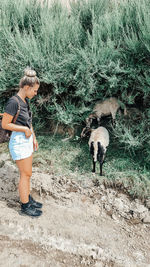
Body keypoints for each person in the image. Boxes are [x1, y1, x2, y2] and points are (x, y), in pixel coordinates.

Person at [2, 68, 42, 217]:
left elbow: (28, 121)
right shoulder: (13, 102)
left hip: (27, 140)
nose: (35, 93)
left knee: (28, 173)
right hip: (19, 142)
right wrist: (24, 131)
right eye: (35, 90)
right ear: (26, 87)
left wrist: (34, 137)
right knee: (25, 174)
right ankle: (25, 206)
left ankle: (28, 199)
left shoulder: (25, 101)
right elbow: (5, 124)